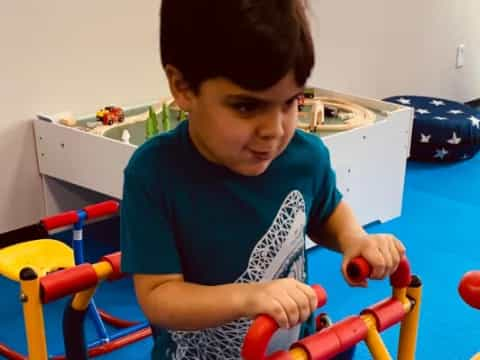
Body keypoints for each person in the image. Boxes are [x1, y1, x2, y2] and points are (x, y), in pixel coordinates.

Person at [120, 1, 406, 359]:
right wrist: (249, 298)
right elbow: (159, 296)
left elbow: (325, 211)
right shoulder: (154, 174)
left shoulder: (306, 156)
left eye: (290, 103)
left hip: (292, 351)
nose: (274, 131)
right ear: (183, 87)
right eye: (246, 107)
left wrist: (354, 238)